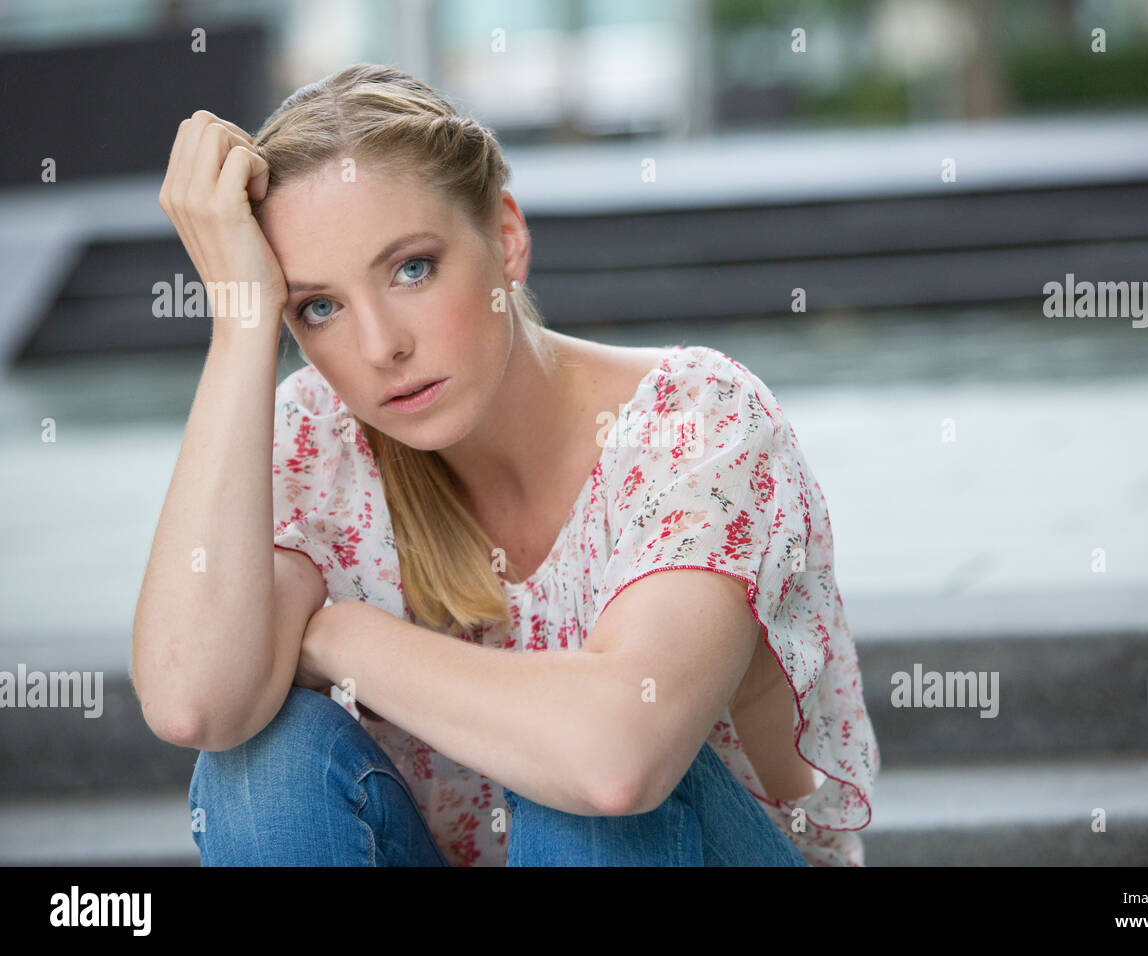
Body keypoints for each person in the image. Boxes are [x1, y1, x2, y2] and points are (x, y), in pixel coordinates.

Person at [135, 63, 879, 867]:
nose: (382, 345)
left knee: (580, 788)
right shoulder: (320, 441)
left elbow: (614, 764)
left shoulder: (698, 419)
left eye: (412, 268)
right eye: (319, 307)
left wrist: (342, 637)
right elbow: (192, 705)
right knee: (260, 763)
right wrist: (242, 324)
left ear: (507, 237)